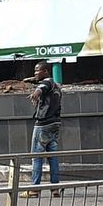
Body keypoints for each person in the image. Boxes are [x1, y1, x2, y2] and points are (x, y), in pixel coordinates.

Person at [24, 62, 63, 197]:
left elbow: (41, 87)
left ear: (45, 71)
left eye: (37, 71)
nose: (35, 73)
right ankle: (55, 188)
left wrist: (35, 94)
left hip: (43, 125)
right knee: (53, 157)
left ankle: (34, 189)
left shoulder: (47, 83)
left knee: (36, 157)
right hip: (55, 124)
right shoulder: (57, 87)